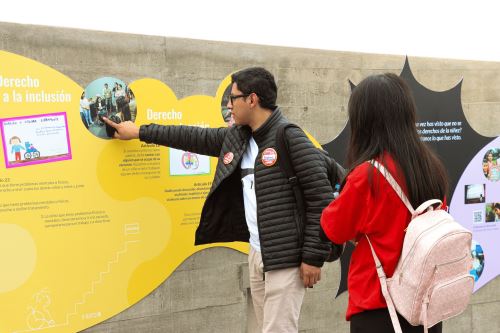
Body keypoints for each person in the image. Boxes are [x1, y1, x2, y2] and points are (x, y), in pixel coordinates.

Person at [103, 67, 334, 333]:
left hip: (287, 257)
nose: (228, 104)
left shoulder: (289, 137)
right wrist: (139, 132)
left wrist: (313, 258)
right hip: (258, 252)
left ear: (252, 100)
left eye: (232, 98)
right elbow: (191, 137)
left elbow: (322, 200)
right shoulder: (239, 138)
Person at [320, 73, 448, 333]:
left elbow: (334, 229)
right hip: (426, 307)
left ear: (364, 121)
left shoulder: (367, 176)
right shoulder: (431, 167)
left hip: (379, 306)